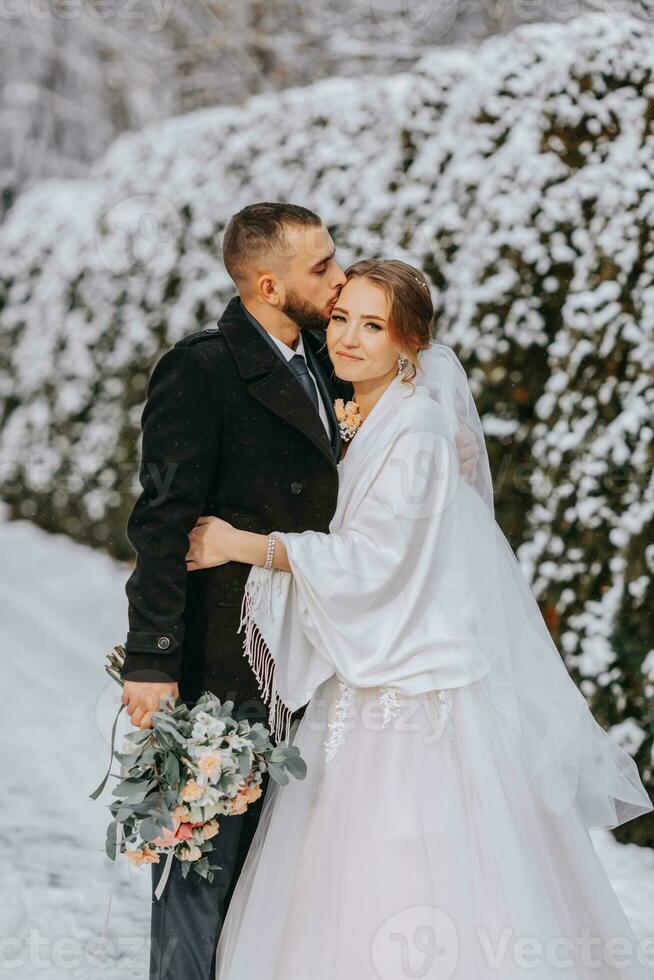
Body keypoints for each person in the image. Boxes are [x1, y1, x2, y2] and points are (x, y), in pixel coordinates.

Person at [186, 259, 654, 980]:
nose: (347, 338)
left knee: (407, 863)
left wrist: (239, 545)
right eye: (342, 318)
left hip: (411, 691)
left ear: (411, 344)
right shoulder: (367, 412)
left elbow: (378, 560)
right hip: (367, 676)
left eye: (373, 327)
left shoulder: (422, 432)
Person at [119, 203, 480, 980]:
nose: (338, 274)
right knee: (198, 874)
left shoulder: (329, 353)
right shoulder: (204, 367)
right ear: (268, 285)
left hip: (316, 657)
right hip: (220, 661)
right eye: (321, 268)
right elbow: (161, 523)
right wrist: (151, 658)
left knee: (274, 882)